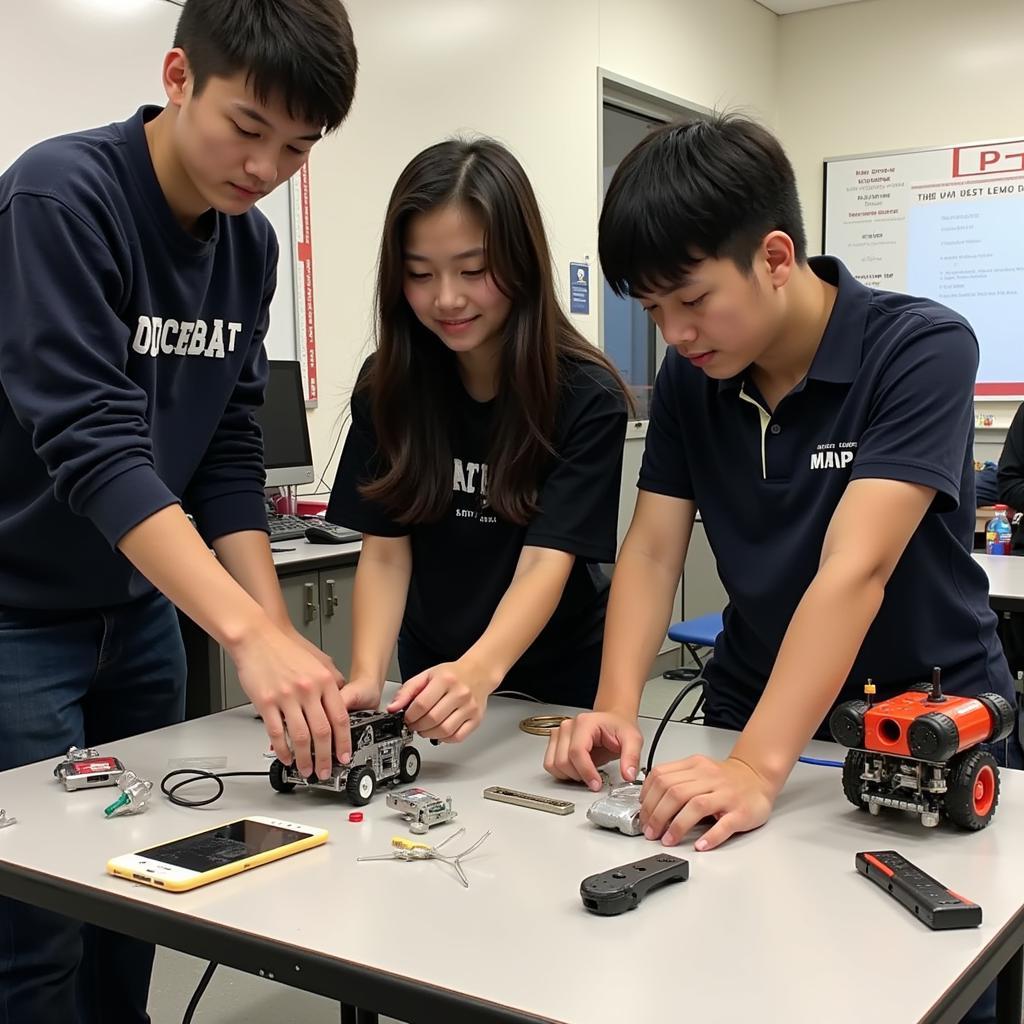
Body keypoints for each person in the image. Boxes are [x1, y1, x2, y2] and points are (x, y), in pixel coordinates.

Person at [545, 115, 1020, 1024]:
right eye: (652, 311)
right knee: (743, 974)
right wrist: (613, 704)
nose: (675, 334)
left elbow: (855, 568)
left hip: (924, 719)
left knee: (928, 985)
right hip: (751, 707)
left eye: (690, 300)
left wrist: (762, 771)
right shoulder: (695, 380)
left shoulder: (919, 350)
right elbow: (651, 548)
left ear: (773, 255)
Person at [0, 1, 357, 1020]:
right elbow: (95, 445)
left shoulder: (243, 249)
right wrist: (244, 630)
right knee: (33, 928)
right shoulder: (60, 200)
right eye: (248, 128)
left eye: (295, 148)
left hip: (142, 611)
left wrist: (279, 633)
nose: (263, 169)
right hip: (18, 614)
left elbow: (226, 457)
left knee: (138, 881)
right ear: (177, 75)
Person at [327, 137, 630, 743]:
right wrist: (367, 676)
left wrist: (481, 670)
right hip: (433, 671)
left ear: (521, 261)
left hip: (555, 678)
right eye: (420, 274)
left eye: (472, 270)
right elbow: (386, 550)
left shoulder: (585, 395)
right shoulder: (388, 387)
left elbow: (547, 559)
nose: (446, 298)